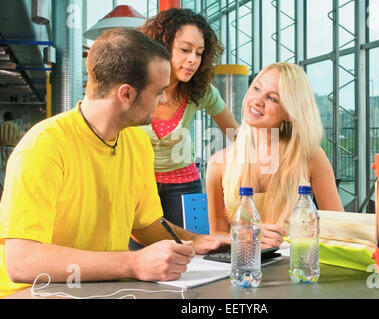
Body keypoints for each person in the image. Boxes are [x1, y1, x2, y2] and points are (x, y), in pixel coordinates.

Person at [0, 28, 227, 298]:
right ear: (126, 94)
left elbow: (145, 225)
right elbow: (22, 261)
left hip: (104, 289)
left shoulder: (137, 143)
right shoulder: (43, 148)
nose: (164, 99)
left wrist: (199, 241)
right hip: (36, 292)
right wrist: (134, 263)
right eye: (159, 92)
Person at [206, 62, 344, 248]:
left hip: (296, 265)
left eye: (272, 98)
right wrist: (249, 235)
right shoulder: (218, 163)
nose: (257, 100)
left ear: (290, 112)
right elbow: (218, 237)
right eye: (256, 88)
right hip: (245, 268)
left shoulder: (311, 157)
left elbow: (338, 229)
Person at [138, 8, 239, 228]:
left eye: (199, 53)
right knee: (138, 255)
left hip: (183, 183)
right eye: (185, 49)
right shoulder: (135, 87)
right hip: (137, 182)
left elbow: (235, 134)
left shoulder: (200, 91)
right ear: (162, 47)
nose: (193, 59)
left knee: (193, 253)